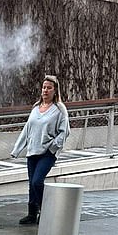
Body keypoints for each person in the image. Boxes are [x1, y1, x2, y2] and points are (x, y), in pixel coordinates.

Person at [10, 75, 70, 225]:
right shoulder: (36, 108)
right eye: (44, 87)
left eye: (49, 88)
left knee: (37, 182)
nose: (45, 90)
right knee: (31, 184)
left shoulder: (59, 109)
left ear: (55, 90)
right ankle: (32, 214)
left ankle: (46, 211)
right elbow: (27, 129)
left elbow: (65, 131)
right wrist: (17, 149)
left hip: (47, 153)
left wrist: (53, 147)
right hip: (32, 151)